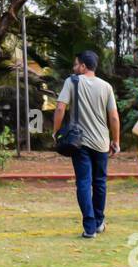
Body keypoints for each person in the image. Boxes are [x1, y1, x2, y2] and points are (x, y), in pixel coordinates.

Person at [52, 50, 121, 238]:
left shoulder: (72, 82)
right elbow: (114, 117)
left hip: (79, 142)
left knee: (84, 182)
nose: (74, 68)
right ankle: (99, 222)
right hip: (101, 143)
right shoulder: (106, 87)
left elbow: (60, 108)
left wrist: (55, 131)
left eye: (76, 64)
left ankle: (89, 227)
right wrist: (116, 141)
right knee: (100, 183)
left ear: (83, 66)